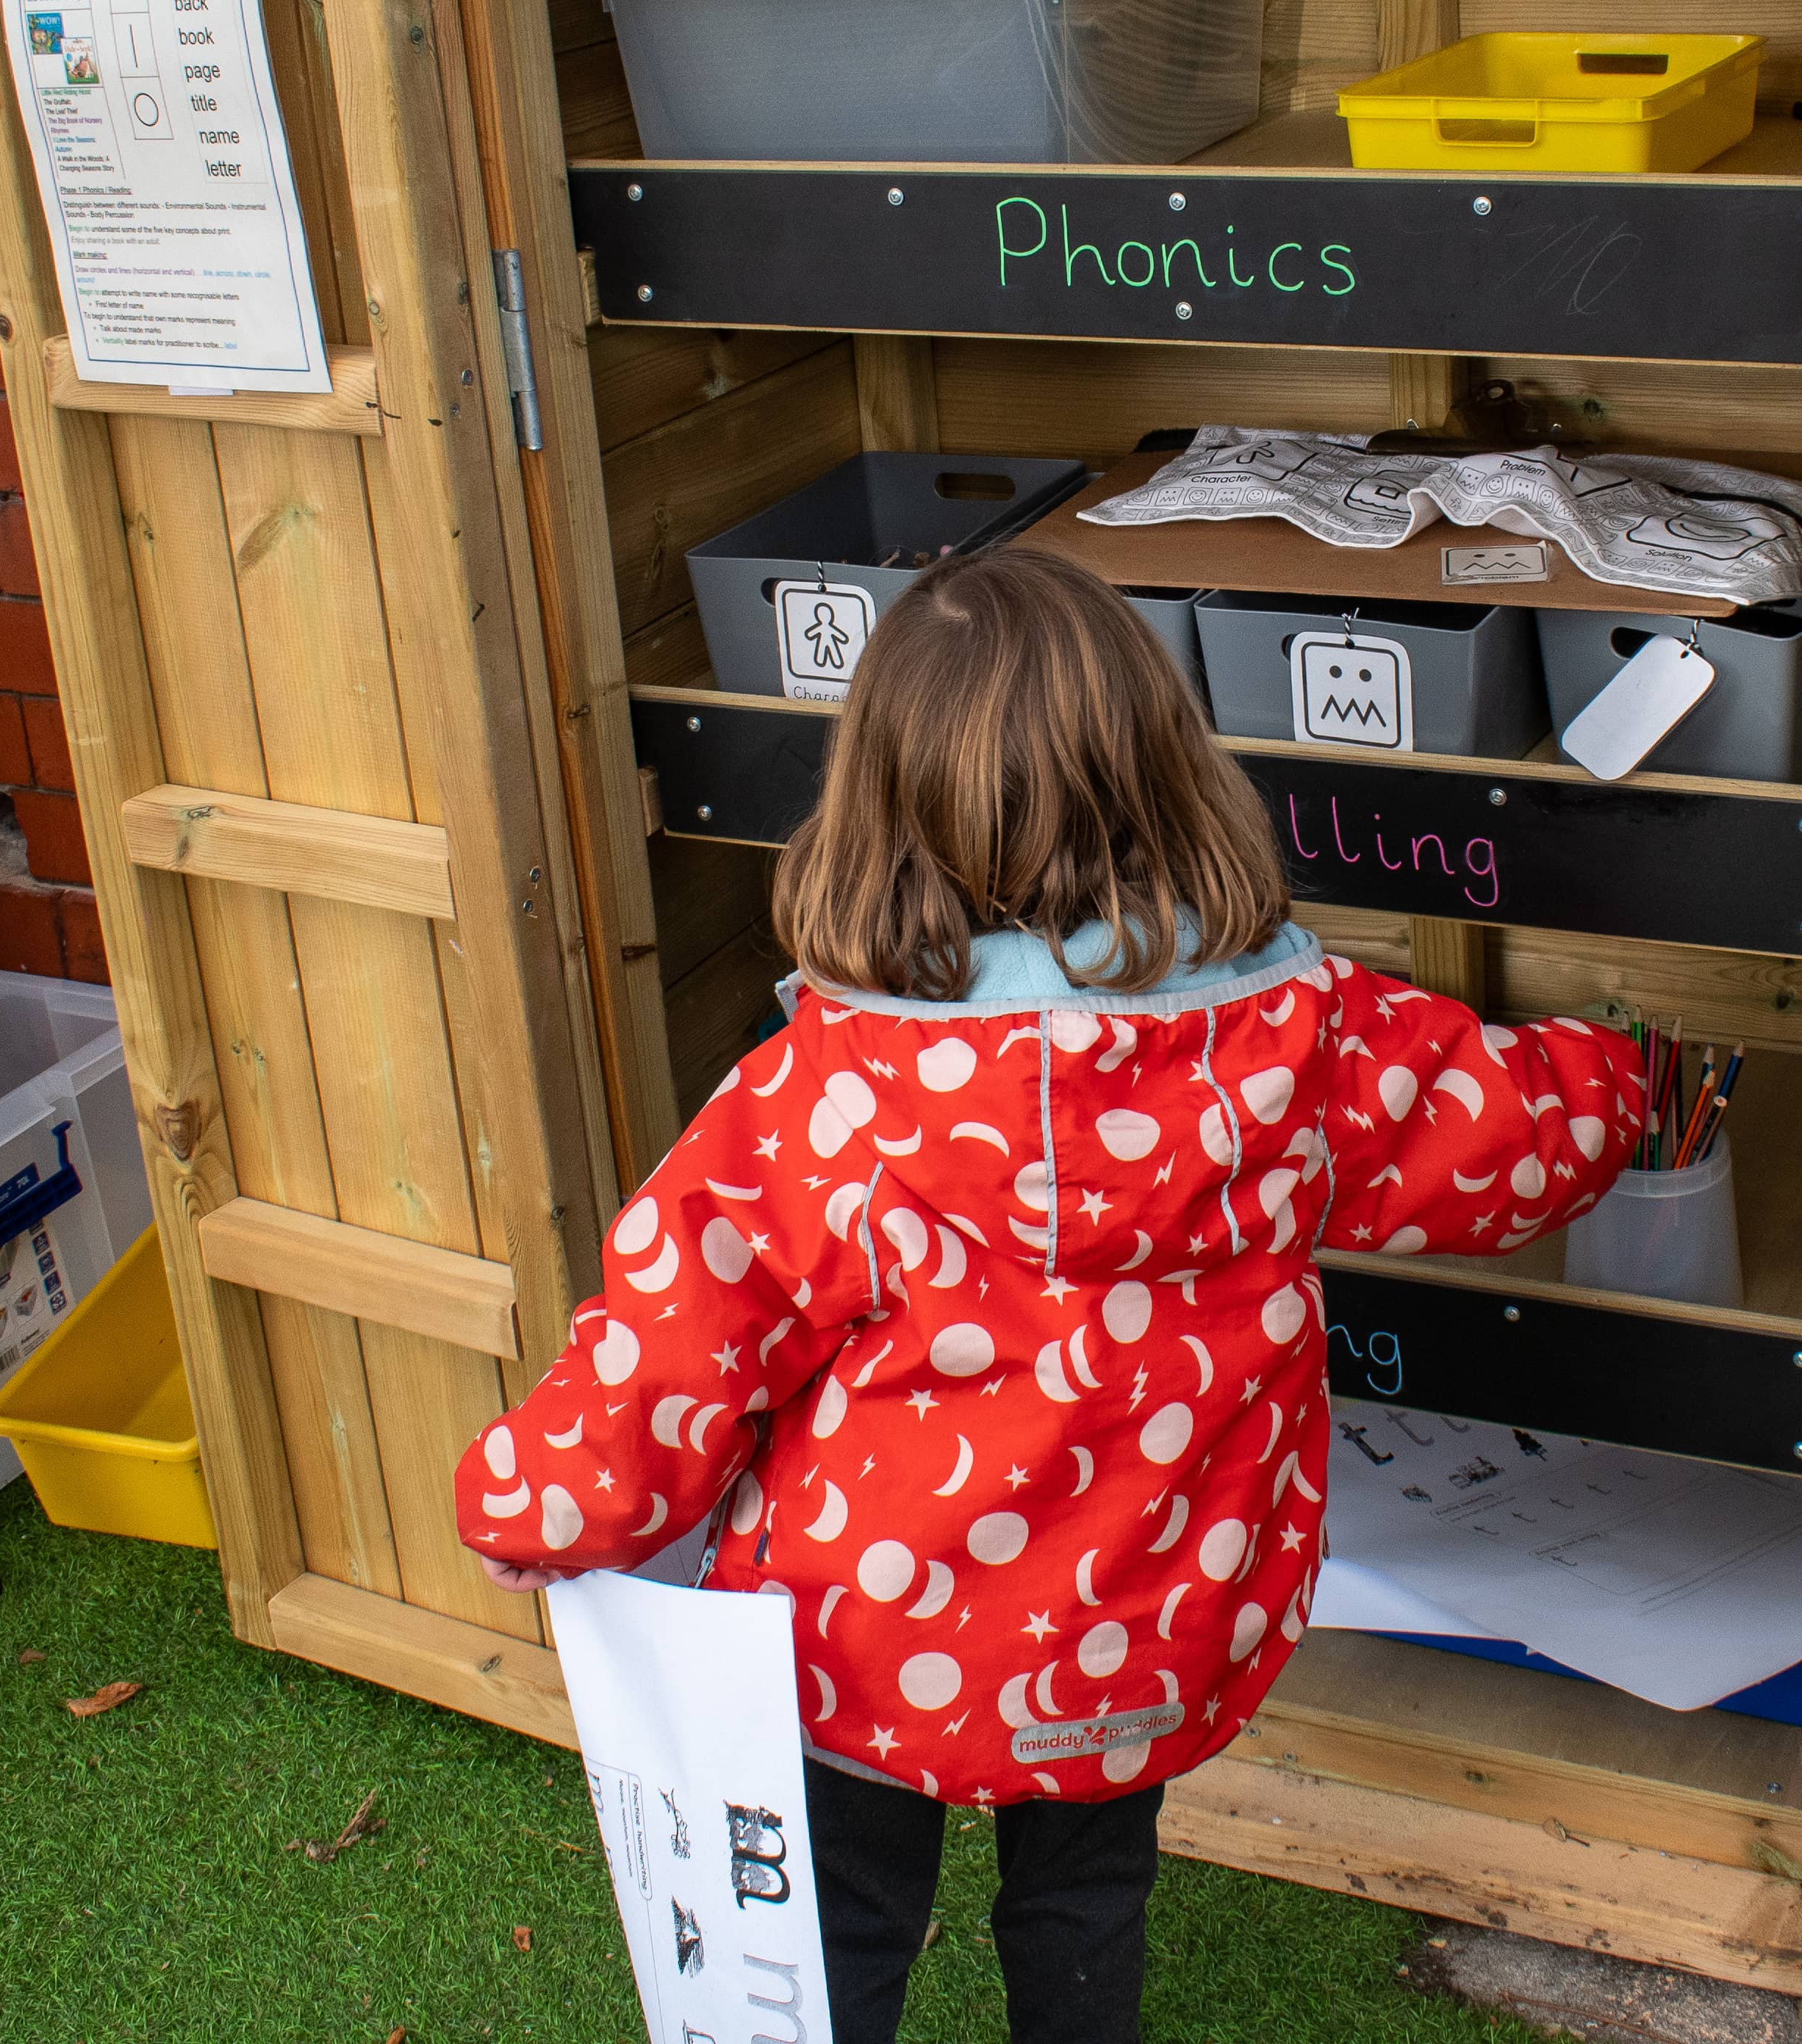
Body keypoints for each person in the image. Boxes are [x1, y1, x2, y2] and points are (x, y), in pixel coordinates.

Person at [456, 547, 1641, 2043]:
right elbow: (1513, 1132)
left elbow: (668, 1343)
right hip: (1146, 1619)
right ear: (1169, 774)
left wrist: (534, 1501)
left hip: (859, 1637)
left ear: (873, 801)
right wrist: (1632, 1075)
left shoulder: (824, 1098)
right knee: (1087, 1893)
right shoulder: (1302, 1044)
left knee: (843, 1919)